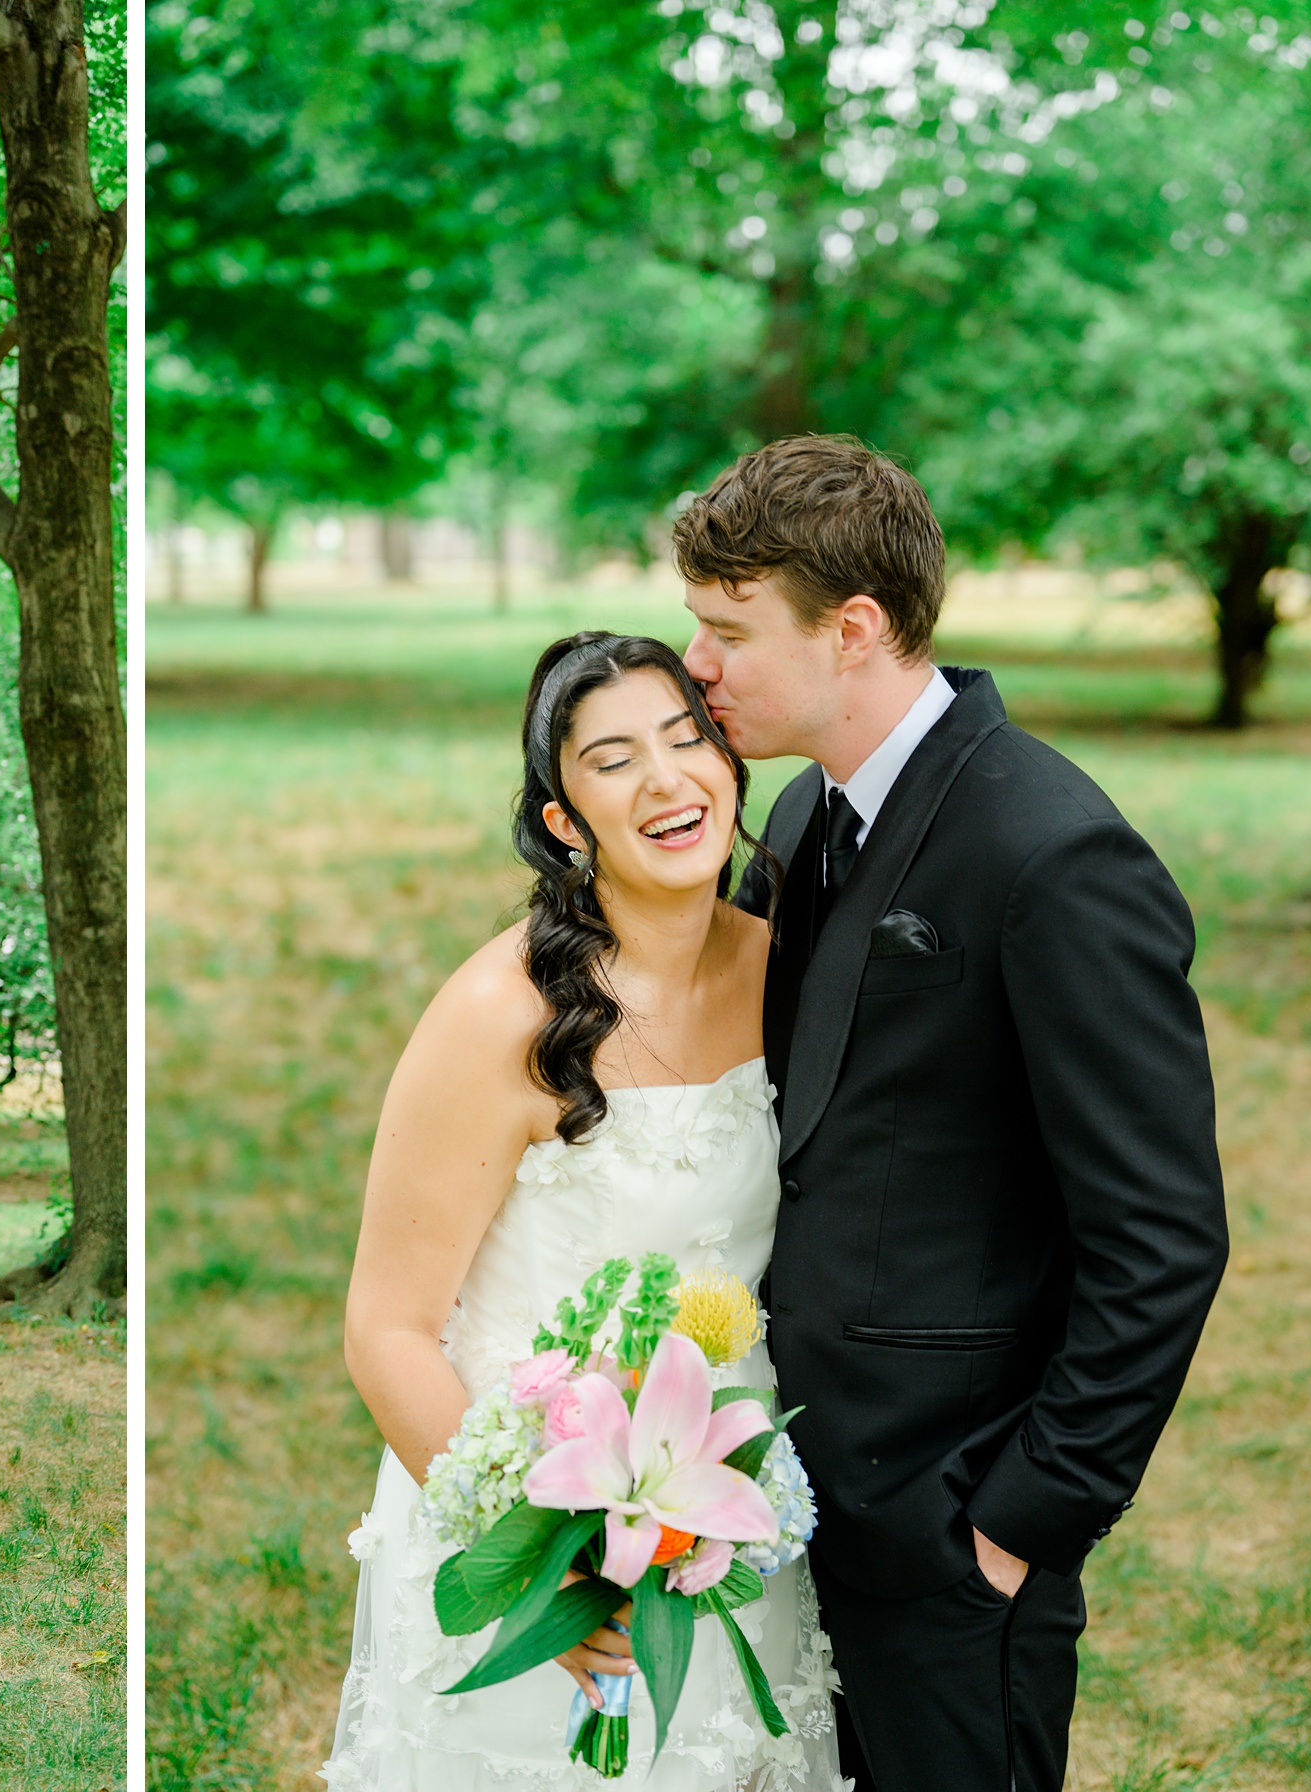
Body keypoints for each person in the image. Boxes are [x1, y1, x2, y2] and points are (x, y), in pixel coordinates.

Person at [675, 434, 1227, 1791]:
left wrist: (1024, 1518)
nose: (698, 666)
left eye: (728, 631)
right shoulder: (806, 814)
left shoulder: (1054, 853)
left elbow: (1164, 1238)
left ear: (851, 629)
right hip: (788, 1493)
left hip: (950, 1522)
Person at [325, 633, 845, 1789]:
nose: (666, 780)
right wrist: (540, 1566)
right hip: (530, 1506)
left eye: (685, 739)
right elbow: (388, 1328)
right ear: (566, 820)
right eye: (613, 760)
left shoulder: (793, 972)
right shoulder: (495, 1016)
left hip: (735, 1501)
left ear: (728, 761)